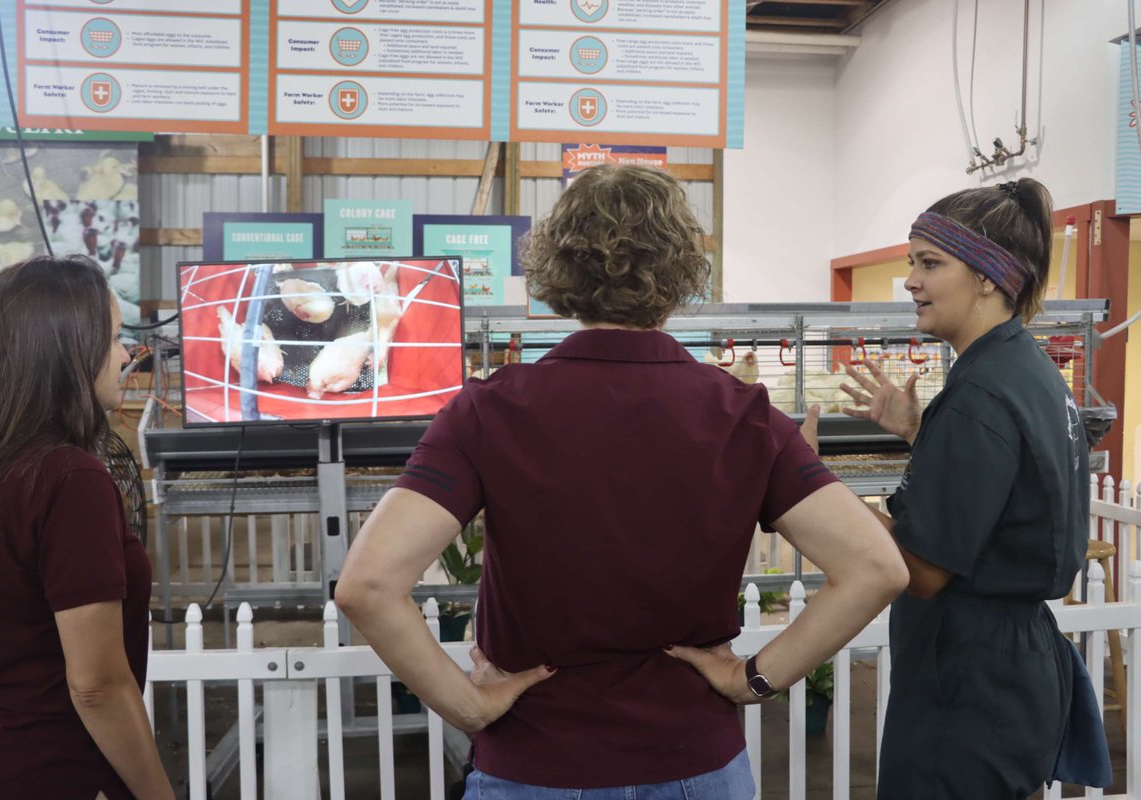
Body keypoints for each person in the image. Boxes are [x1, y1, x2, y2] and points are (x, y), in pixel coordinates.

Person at [336, 163, 907, 798]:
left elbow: (368, 586)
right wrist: (754, 679)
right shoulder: (746, 416)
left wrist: (467, 708)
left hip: (535, 763)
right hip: (697, 764)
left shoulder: (491, 411)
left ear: (559, 267)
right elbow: (876, 568)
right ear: (680, 270)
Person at [838, 179, 1089, 799]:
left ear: (987, 277)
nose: (911, 282)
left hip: (969, 684)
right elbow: (1007, 498)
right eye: (911, 264)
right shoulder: (1027, 373)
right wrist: (920, 431)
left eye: (930, 264)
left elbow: (922, 570)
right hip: (1013, 674)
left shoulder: (979, 393)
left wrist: (816, 490)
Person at [0, 257, 174, 800]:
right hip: (57, 770)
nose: (124, 355)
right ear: (67, 350)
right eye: (114, 338)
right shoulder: (70, 479)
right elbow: (96, 686)